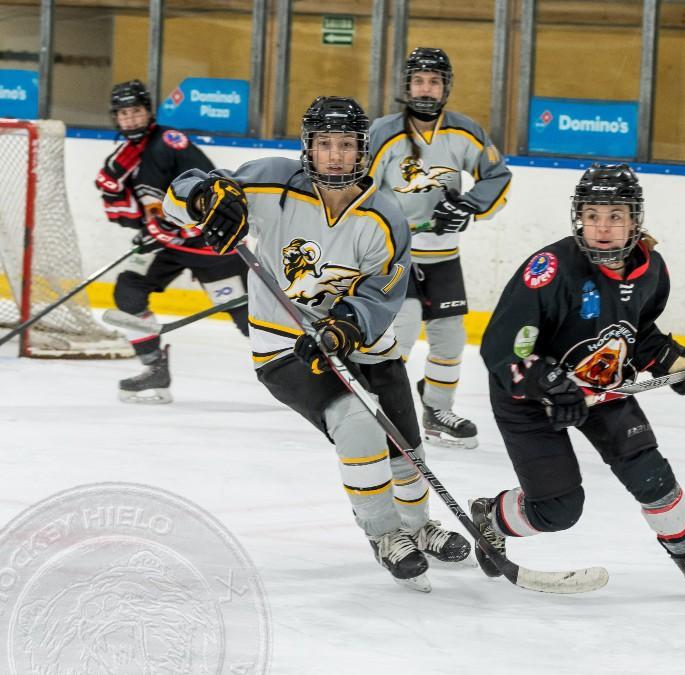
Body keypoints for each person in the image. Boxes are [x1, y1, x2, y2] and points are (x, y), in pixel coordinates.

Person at [162, 96, 471, 592]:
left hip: (361, 343)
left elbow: (383, 291)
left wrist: (347, 326)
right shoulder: (269, 180)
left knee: (405, 447)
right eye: (324, 144)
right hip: (285, 346)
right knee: (356, 425)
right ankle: (385, 535)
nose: (334, 155)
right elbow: (177, 196)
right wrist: (204, 194)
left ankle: (419, 526)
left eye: (345, 144)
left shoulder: (384, 215)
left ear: (361, 149)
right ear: (308, 147)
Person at [472, 163, 685, 602]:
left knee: (652, 476)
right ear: (578, 216)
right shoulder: (550, 269)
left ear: (635, 220)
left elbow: (637, 333)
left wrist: (673, 361)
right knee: (558, 510)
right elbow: (503, 350)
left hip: (602, 390)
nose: (603, 227)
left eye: (615, 216)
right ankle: (492, 517)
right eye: (593, 214)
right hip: (529, 399)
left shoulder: (651, 269)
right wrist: (547, 384)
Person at [367, 47, 513, 449]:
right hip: (393, 254)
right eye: (419, 81)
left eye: (434, 81)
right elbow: (358, 187)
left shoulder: (464, 132)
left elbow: (496, 177)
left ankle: (436, 410)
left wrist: (468, 206)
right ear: (407, 86)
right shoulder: (383, 132)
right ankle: (383, 408)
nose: (426, 89)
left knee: (450, 338)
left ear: (445, 87)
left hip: (443, 255)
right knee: (403, 329)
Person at [96, 79, 249, 404]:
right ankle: (155, 368)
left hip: (210, 246)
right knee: (129, 290)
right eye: (123, 114)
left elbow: (208, 185)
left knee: (247, 317)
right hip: (169, 246)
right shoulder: (127, 155)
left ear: (148, 111)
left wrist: (172, 222)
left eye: (136, 111)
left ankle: (314, 367)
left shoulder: (168, 141)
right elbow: (141, 205)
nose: (131, 119)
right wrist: (147, 226)